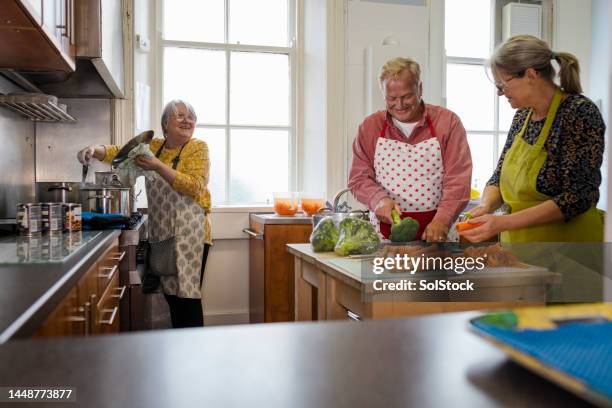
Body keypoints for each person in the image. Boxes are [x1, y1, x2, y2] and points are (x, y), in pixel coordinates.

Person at [77, 99, 212, 328]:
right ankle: (182, 347)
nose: (187, 120)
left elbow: (194, 186)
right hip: (162, 233)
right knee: (171, 296)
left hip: (192, 234)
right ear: (165, 124)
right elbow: (120, 152)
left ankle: (193, 351)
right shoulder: (154, 147)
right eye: (179, 115)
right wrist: (94, 150)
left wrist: (157, 166)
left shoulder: (197, 148)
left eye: (191, 117)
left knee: (187, 298)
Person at [461, 35, 605, 243]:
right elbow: (499, 175)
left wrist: (503, 223)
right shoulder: (522, 116)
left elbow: (577, 196)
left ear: (530, 75)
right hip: (525, 248)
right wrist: (485, 207)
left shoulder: (578, 112)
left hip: (571, 249)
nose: (500, 94)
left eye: (503, 85)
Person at [348, 57, 472, 242]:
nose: (399, 105)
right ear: (383, 94)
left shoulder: (448, 123)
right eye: (391, 98)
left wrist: (443, 220)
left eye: (406, 96)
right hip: (385, 237)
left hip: (437, 235)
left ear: (419, 88)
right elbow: (358, 179)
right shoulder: (371, 126)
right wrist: (379, 200)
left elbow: (458, 181)